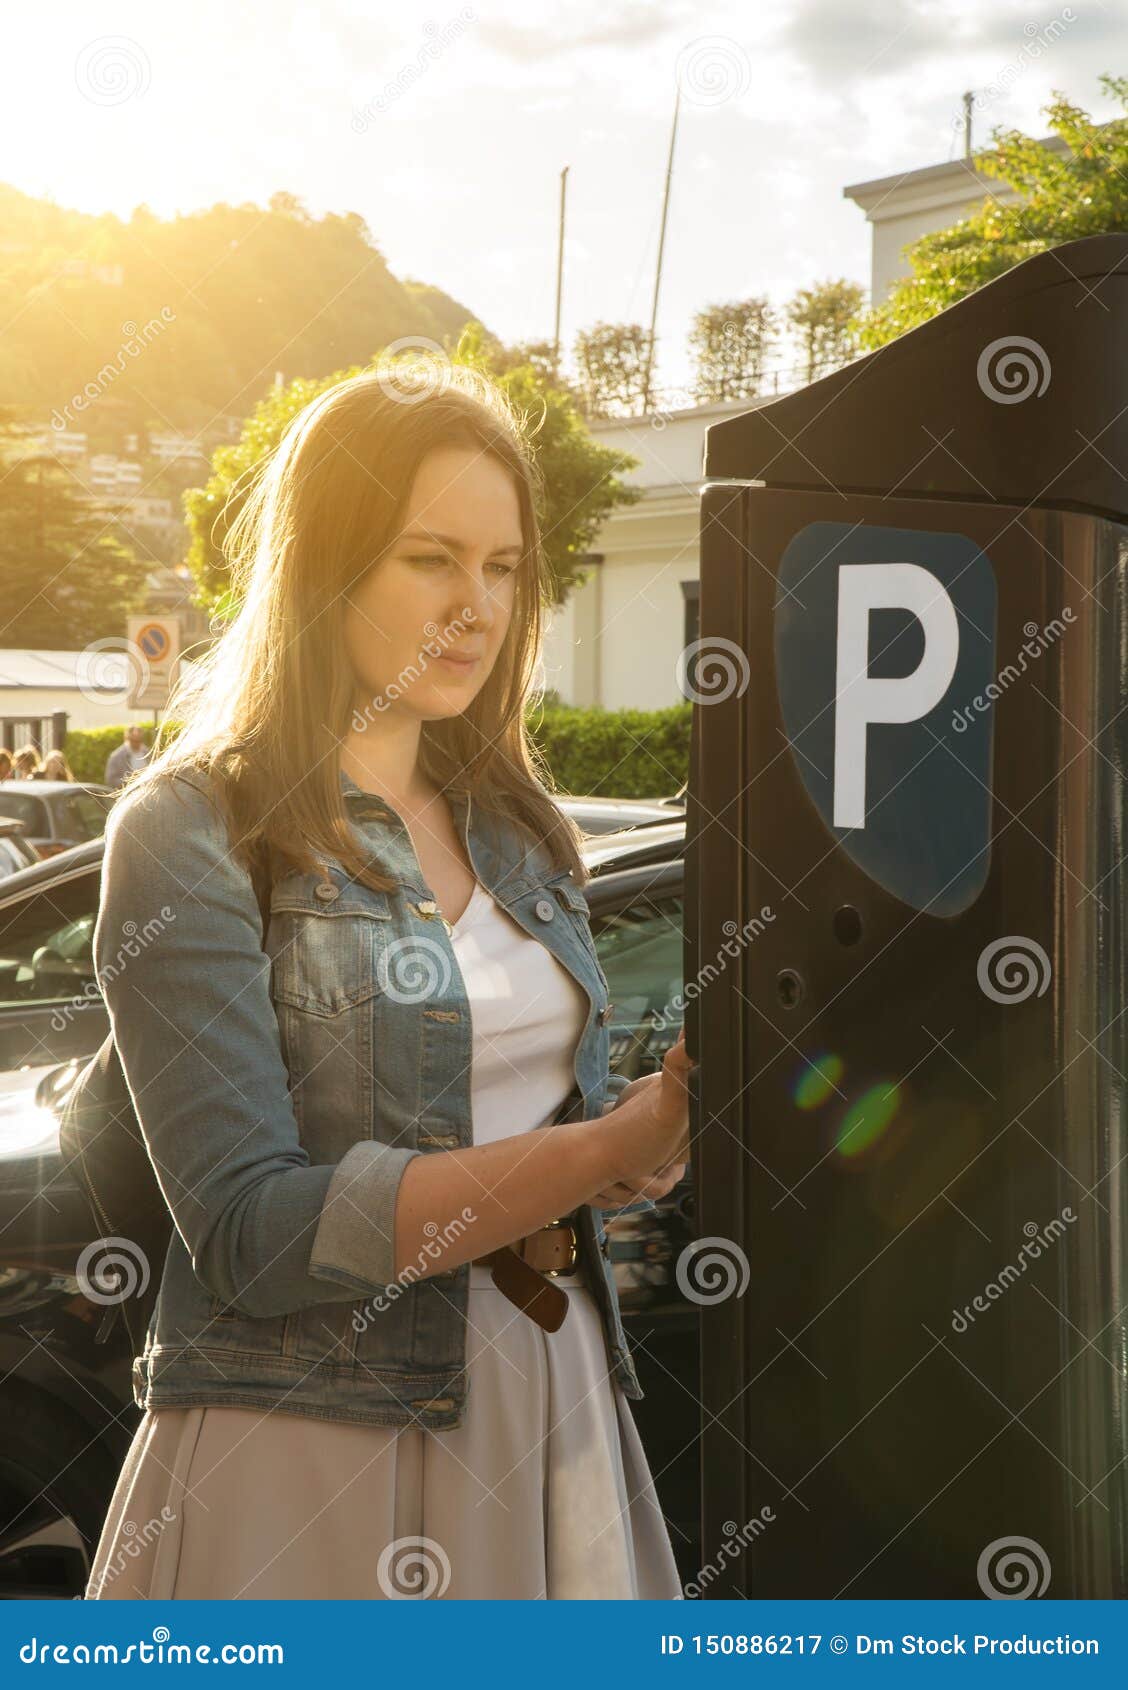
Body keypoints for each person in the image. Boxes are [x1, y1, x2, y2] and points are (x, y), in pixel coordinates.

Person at [83, 364, 695, 1601]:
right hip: (312, 1439)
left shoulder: (522, 825)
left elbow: (525, 1113)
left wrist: (645, 1134)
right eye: (432, 558)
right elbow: (254, 1232)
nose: (477, 605)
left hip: (551, 1389)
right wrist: (602, 1149)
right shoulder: (190, 826)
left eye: (504, 567)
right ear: (328, 565)